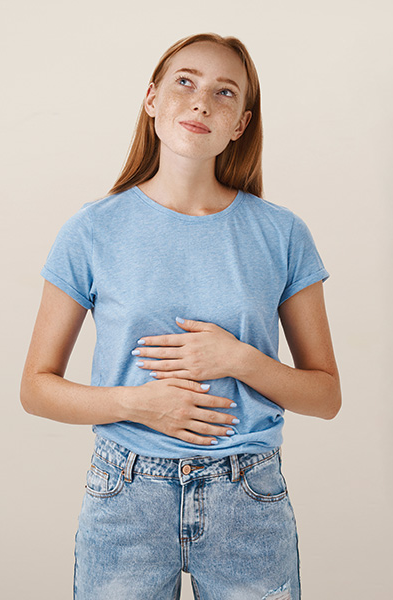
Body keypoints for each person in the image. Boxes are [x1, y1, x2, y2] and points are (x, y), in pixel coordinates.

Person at [20, 32, 340, 600]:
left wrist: (238, 359)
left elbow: (325, 396)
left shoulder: (281, 234)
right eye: (185, 83)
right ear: (151, 99)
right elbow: (36, 389)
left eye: (224, 92)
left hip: (248, 497)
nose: (201, 103)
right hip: (127, 494)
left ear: (240, 124)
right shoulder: (92, 230)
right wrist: (138, 404)